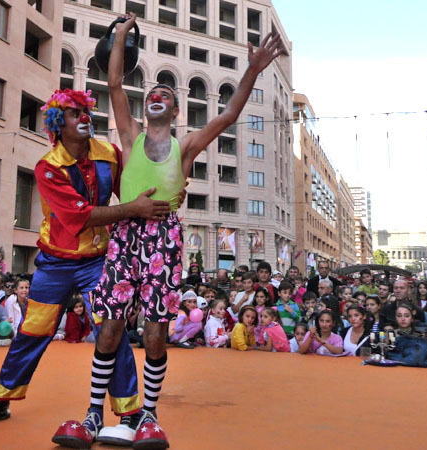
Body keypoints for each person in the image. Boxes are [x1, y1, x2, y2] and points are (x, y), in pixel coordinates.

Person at [87, 14, 282, 448]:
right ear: (146, 107)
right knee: (111, 325)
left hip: (164, 238)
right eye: (152, 94)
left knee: (156, 329)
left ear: (176, 111)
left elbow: (228, 114)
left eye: (166, 96)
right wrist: (121, 35)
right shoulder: (130, 135)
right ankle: (93, 412)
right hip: (125, 233)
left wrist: (252, 70)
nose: (156, 97)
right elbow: (115, 83)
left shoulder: (186, 145)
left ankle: (149, 414)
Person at [0, 88, 179, 441]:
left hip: (97, 260)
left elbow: (137, 188)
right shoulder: (48, 167)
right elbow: (80, 216)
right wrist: (133, 209)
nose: (84, 118)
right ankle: (0, 402)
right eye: (74, 113)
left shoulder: (110, 153)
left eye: (86, 111)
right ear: (58, 122)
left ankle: (130, 414)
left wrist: (171, 189)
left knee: (111, 330)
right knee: (32, 331)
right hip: (55, 262)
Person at [386, 302, 427, 368]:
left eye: (407, 316)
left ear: (412, 318)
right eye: (399, 316)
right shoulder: (391, 334)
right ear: (395, 318)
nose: (403, 319)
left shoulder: (422, 332)